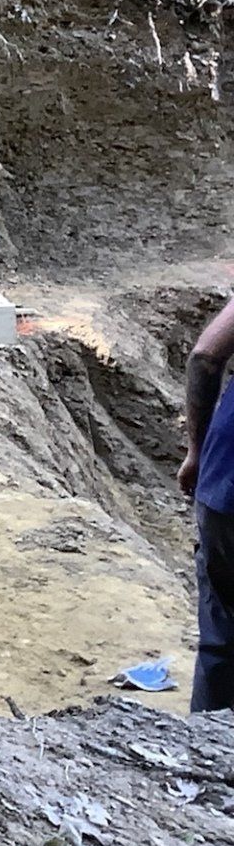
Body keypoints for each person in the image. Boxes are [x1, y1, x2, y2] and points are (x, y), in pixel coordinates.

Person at [180, 299, 234, 710]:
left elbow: (206, 356)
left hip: (224, 484)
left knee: (220, 643)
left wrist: (196, 452)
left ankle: (203, 763)